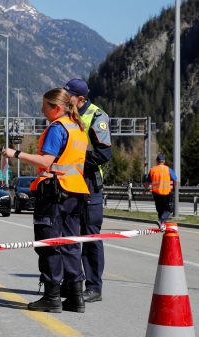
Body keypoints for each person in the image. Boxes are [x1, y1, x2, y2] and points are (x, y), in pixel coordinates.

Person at [2, 87, 89, 313]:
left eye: (45, 106)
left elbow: (46, 161)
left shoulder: (57, 128)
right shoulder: (79, 128)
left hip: (54, 192)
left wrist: (16, 154)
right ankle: (76, 297)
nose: (42, 110)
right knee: (70, 243)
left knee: (48, 243)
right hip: (75, 191)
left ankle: (51, 297)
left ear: (57, 108)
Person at [63, 78, 112, 303]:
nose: (65, 98)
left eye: (69, 95)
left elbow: (104, 154)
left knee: (90, 236)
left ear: (80, 99)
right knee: (68, 235)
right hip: (69, 182)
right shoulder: (66, 115)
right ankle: (71, 283)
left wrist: (77, 159)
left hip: (90, 183)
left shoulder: (97, 116)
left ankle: (94, 287)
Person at [144, 153, 178, 230]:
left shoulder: (152, 170)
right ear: (164, 161)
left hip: (156, 194)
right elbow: (175, 180)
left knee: (160, 209)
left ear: (157, 161)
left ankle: (162, 223)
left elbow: (147, 182)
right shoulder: (168, 169)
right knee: (169, 209)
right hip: (167, 193)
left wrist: (145, 190)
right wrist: (173, 189)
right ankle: (162, 222)